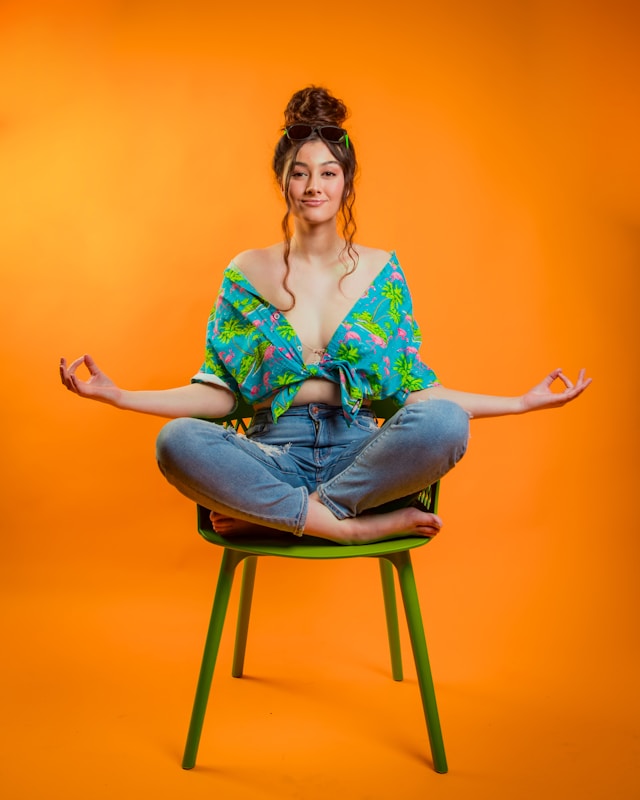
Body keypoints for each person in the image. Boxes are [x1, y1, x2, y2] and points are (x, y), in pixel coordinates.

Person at [60, 86, 591, 545]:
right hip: (273, 457)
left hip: (363, 454)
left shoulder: (383, 273)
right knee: (176, 441)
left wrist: (522, 403)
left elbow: (414, 393)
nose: (314, 185)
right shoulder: (245, 273)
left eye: (328, 172)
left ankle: (289, 516)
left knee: (445, 423)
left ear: (346, 183)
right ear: (283, 182)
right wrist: (119, 395)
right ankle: (348, 525)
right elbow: (220, 393)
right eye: (300, 173)